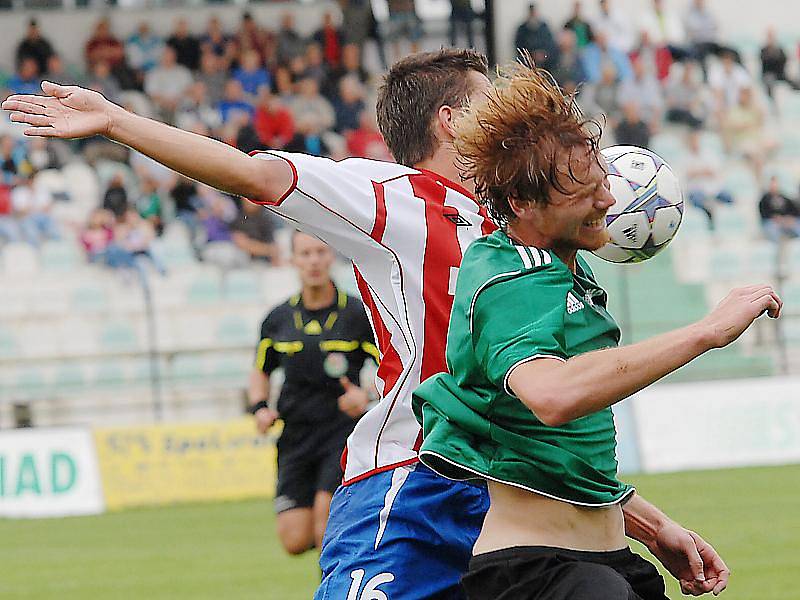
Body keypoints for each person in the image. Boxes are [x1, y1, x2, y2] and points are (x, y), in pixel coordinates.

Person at [3, 49, 730, 599]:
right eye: (488, 103)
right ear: (451, 122)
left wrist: (648, 521)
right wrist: (118, 122)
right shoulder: (391, 194)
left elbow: (534, 408)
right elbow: (256, 176)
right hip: (409, 489)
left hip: (512, 504)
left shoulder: (526, 240)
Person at [413, 61, 778, 600]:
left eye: (601, 184)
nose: (608, 202)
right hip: (539, 574)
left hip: (601, 563)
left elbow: (555, 450)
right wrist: (704, 333)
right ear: (523, 204)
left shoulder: (561, 269)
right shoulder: (510, 276)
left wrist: (652, 527)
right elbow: (552, 394)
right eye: (584, 193)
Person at [249, 230, 378, 554]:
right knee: (294, 540)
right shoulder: (278, 319)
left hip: (341, 432)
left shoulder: (357, 315)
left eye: (320, 252)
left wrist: (367, 395)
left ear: (331, 256)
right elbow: (261, 371)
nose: (314, 261)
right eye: (305, 254)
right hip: (295, 434)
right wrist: (261, 407)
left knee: (325, 528)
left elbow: (396, 366)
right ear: (293, 260)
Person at [759, 176, 800, 242]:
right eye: (772, 184)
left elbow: (795, 211)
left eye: (775, 184)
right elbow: (764, 215)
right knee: (772, 230)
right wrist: (777, 219)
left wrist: (789, 219)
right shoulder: (764, 199)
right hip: (772, 223)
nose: (774, 186)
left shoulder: (784, 198)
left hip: (786, 222)